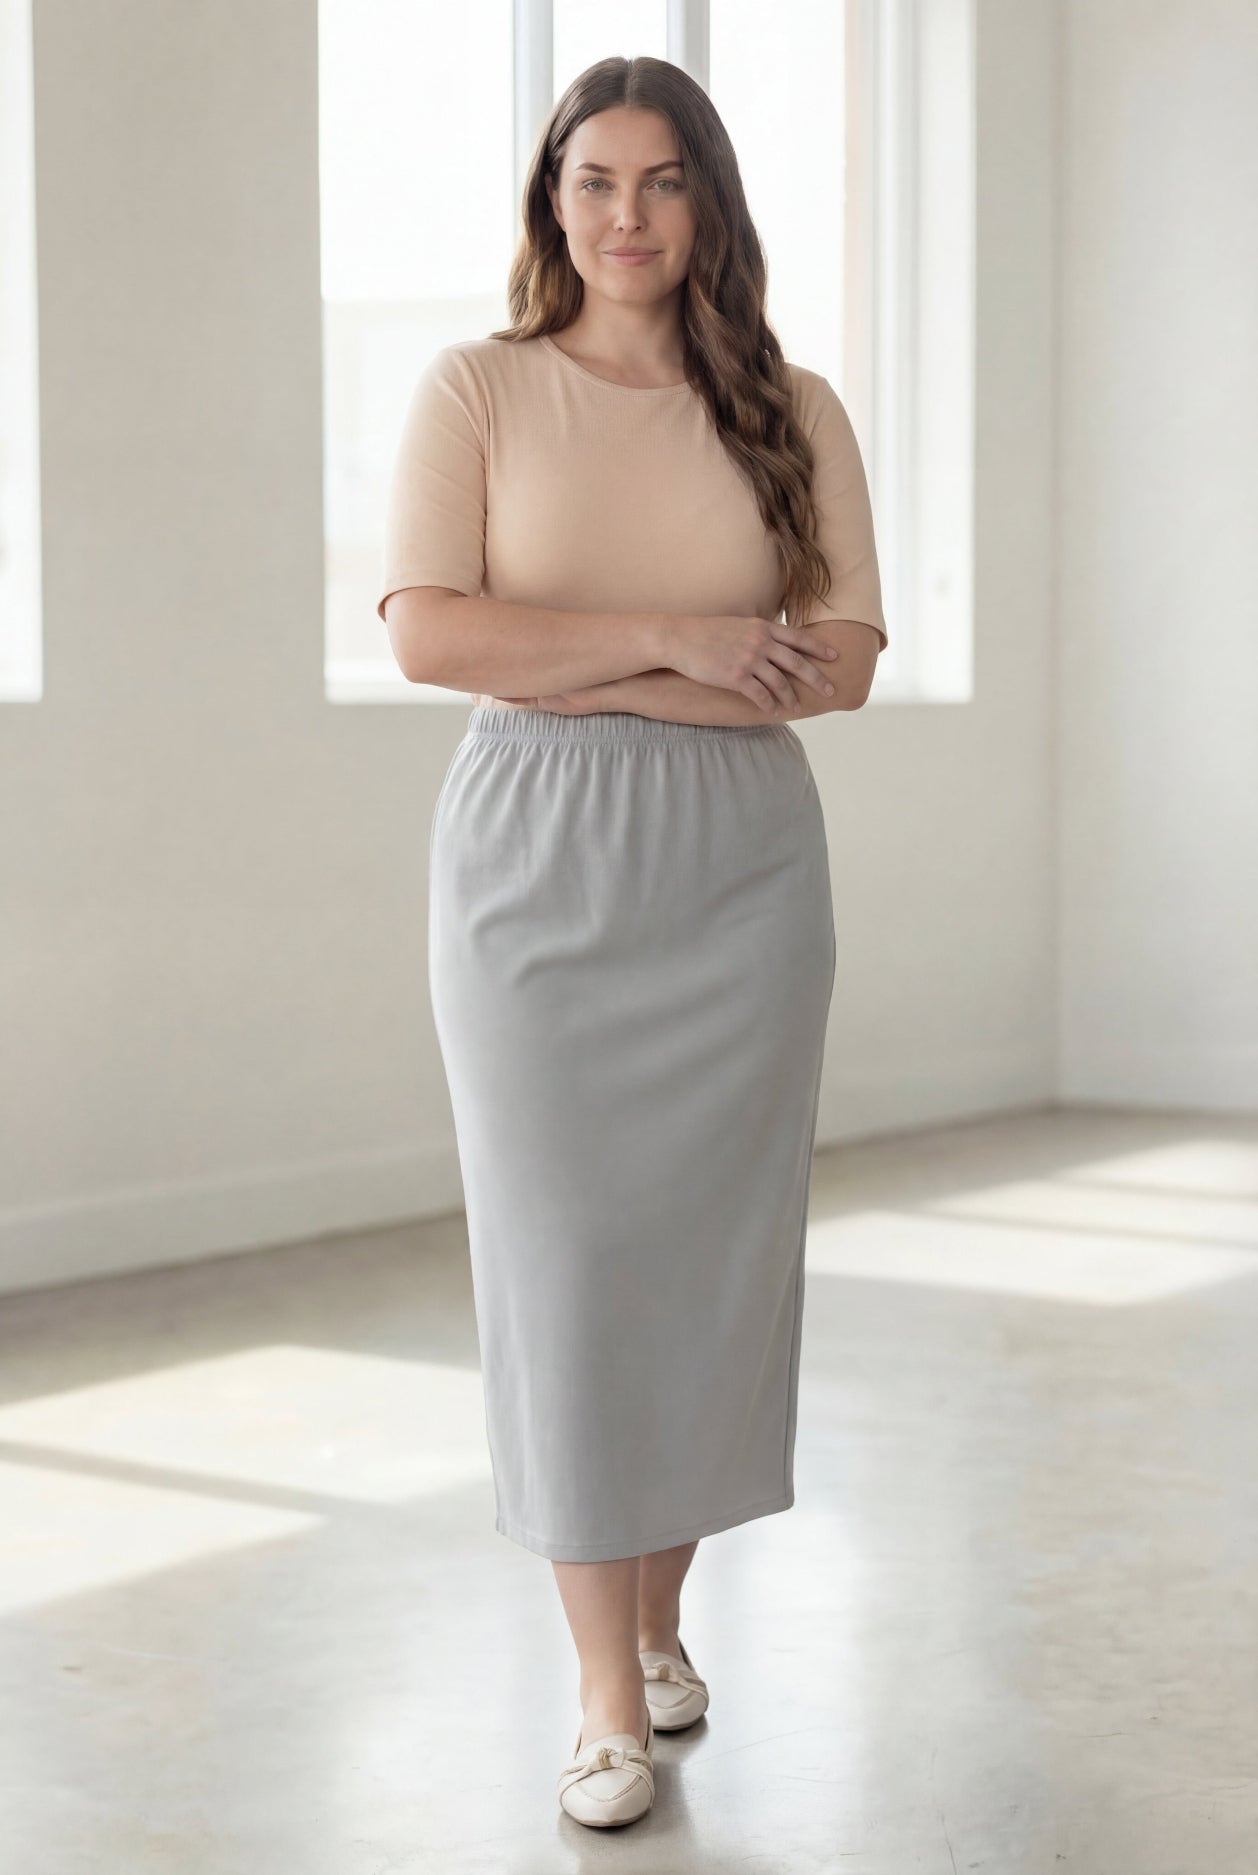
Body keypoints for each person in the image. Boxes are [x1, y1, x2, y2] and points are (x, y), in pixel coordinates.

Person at [378, 55, 886, 1830]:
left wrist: (589, 658)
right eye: (593, 180)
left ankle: (661, 1623)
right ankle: (602, 1695)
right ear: (551, 201)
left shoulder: (791, 409)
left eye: (663, 181)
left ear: (709, 204)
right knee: (569, 1264)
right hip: (533, 856)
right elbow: (433, 637)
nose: (626, 215)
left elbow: (838, 666)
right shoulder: (478, 388)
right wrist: (685, 642)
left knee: (700, 1263)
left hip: (739, 874)